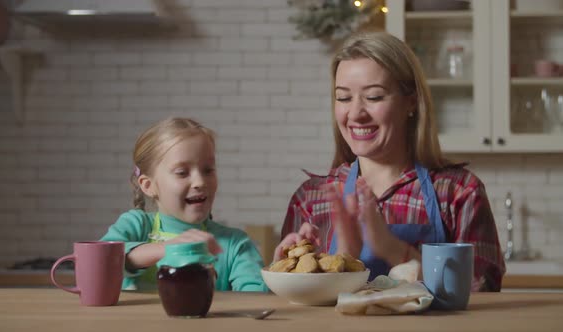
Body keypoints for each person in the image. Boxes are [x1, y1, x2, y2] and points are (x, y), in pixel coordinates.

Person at [275, 31, 505, 291]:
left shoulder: (458, 193)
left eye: (373, 97)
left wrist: (393, 249)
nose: (355, 113)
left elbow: (483, 294)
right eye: (343, 97)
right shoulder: (311, 199)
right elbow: (295, 313)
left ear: (411, 102)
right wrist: (298, 273)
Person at [101, 117, 267, 292]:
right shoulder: (136, 226)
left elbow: (256, 299)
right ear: (148, 186)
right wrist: (167, 248)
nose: (200, 181)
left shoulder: (235, 244)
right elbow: (101, 261)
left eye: (208, 170)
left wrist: (280, 277)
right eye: (182, 173)